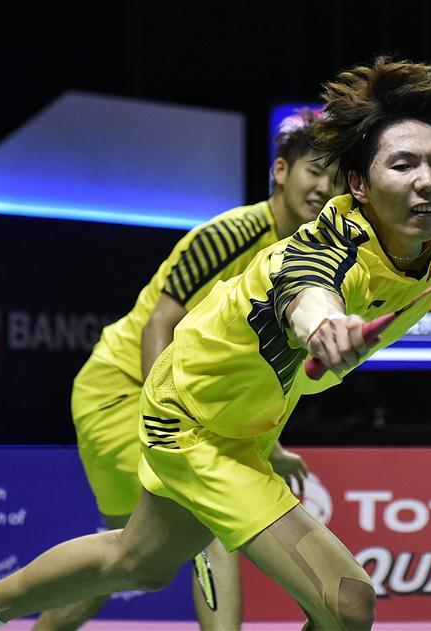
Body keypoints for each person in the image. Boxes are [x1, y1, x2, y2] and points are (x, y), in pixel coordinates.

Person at [0, 56, 431, 631]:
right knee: (348, 603)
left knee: (137, 562)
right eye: (402, 165)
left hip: (248, 416)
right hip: (192, 416)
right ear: (358, 185)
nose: (426, 180)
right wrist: (323, 324)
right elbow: (307, 289)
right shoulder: (328, 245)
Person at [29, 109, 340, 631]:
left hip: (164, 401)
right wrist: (167, 417)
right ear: (281, 171)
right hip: (122, 390)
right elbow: (160, 324)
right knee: (208, 519)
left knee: (128, 560)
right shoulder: (234, 234)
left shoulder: (301, 257)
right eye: (314, 171)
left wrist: (273, 449)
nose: (324, 188)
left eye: (333, 178)